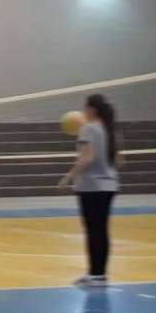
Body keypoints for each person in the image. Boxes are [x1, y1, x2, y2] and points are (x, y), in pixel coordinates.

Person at [59, 93, 121, 287]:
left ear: (92, 110)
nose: (83, 111)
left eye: (85, 108)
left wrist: (69, 177)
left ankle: (96, 275)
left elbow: (87, 157)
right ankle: (98, 274)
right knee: (101, 230)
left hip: (91, 187)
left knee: (93, 231)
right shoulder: (110, 130)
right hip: (109, 185)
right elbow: (119, 160)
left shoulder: (87, 128)